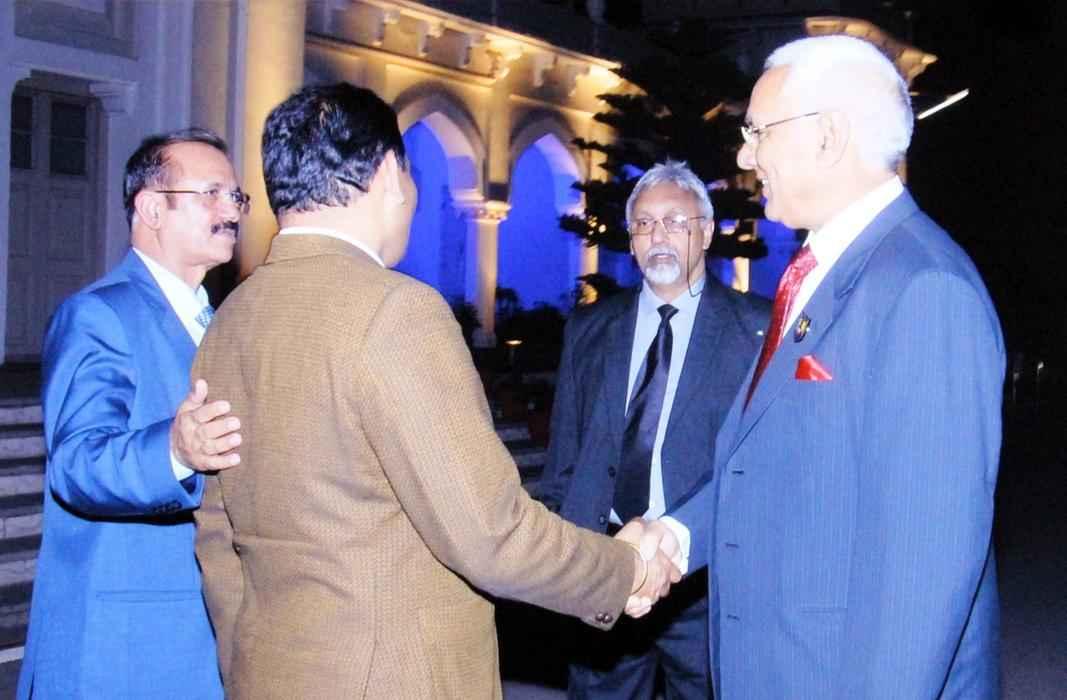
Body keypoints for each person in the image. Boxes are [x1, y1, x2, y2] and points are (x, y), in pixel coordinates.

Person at [191, 82, 680, 699]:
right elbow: (489, 533)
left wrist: (251, 662)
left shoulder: (229, 319)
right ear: (389, 175)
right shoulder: (395, 312)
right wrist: (625, 569)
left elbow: (217, 535)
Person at [640, 34, 1004, 698]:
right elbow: (773, 465)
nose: (745, 155)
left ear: (828, 135)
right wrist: (676, 536)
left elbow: (921, 570)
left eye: (758, 131)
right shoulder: (821, 273)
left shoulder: (923, 289)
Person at [17, 128, 246, 698]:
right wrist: (173, 450)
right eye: (211, 194)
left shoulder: (222, 322)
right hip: (127, 640)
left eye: (236, 196)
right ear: (152, 209)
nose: (231, 211)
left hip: (206, 628)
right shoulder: (99, 316)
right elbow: (77, 463)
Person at [538, 161, 768, 699]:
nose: (658, 236)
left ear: (706, 232)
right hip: (607, 567)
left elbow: (762, 470)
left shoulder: (755, 330)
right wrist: (563, 560)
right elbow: (564, 458)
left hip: (705, 582)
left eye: (675, 222)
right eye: (643, 224)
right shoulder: (590, 328)